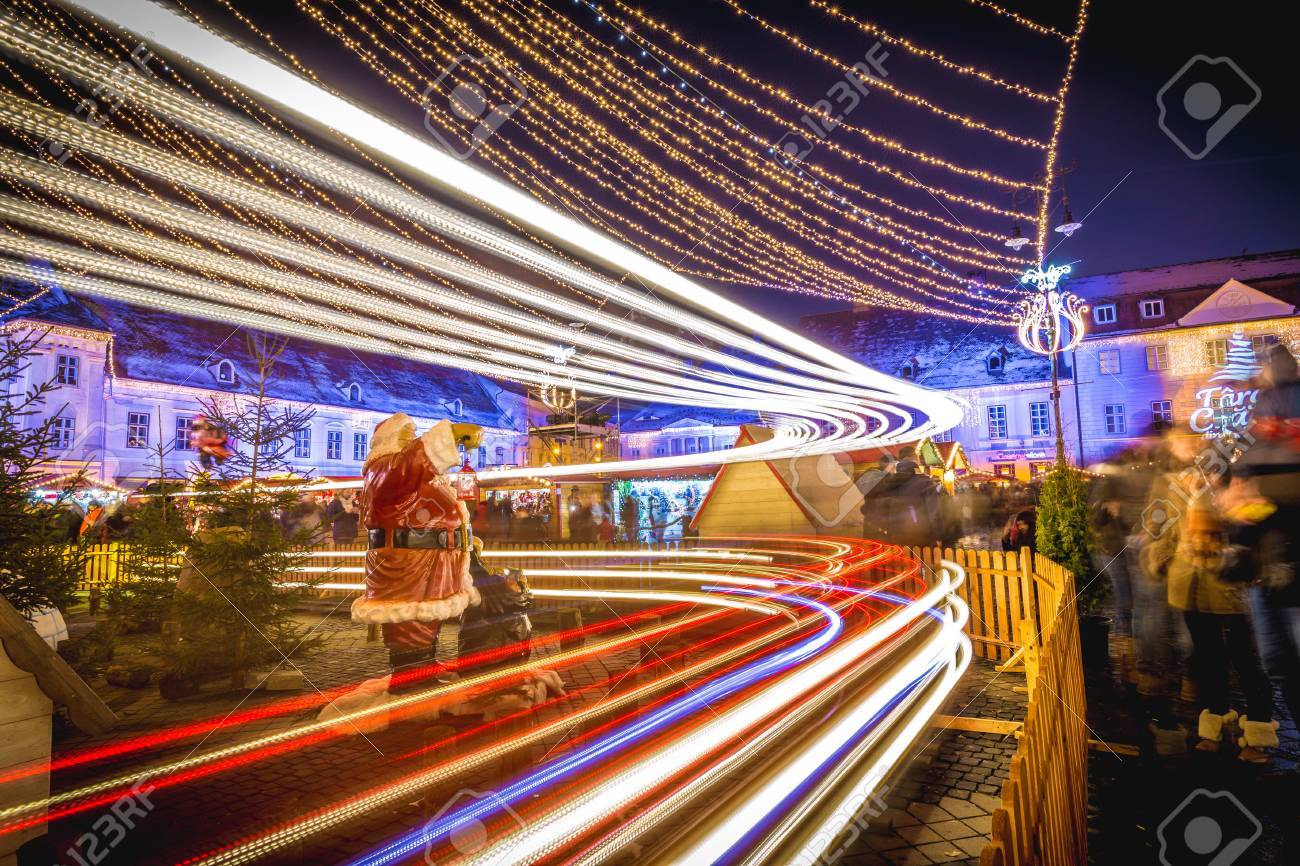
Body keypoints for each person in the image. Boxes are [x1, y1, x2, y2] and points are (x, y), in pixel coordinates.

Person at [1142, 455, 1279, 763]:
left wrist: (1229, 513)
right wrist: (1160, 559)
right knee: (1207, 659)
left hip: (1227, 587)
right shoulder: (1174, 487)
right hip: (1188, 588)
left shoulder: (1235, 485)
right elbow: (1161, 530)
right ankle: (1213, 728)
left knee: (1245, 660)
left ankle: (1258, 735)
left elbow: (1254, 531)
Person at [351, 413, 479, 671]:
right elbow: (408, 464)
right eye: (407, 435)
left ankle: (424, 676)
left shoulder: (414, 479)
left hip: (429, 567)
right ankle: (412, 687)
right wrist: (449, 435)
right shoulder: (384, 470)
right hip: (409, 572)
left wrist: (461, 539)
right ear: (388, 441)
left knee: (426, 627)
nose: (414, 439)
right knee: (411, 630)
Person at [1230, 343, 1300, 729]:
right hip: (1268, 568)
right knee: (1279, 662)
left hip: (1282, 563)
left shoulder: (1283, 405)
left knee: (1283, 660)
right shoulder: (1263, 411)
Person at [872, 457, 942, 547]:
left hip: (897, 538)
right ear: (915, 468)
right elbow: (934, 511)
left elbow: (881, 512)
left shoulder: (890, 485)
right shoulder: (925, 482)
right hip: (922, 536)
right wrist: (939, 535)